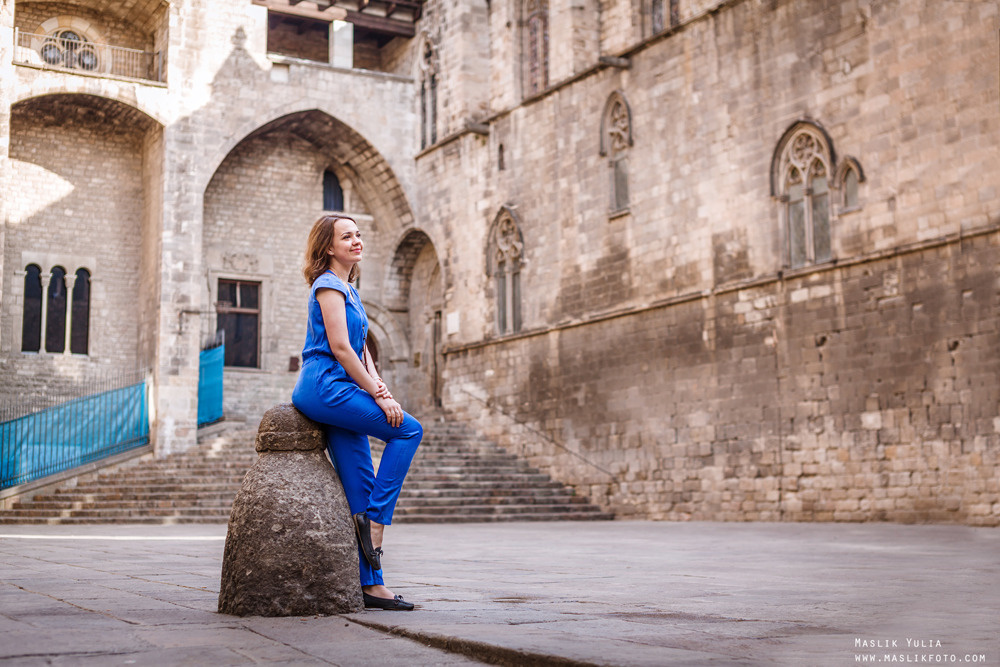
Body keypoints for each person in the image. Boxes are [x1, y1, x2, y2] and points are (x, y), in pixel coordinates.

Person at [292, 213, 423, 611]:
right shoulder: (328, 284)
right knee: (408, 430)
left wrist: (378, 385)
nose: (356, 240)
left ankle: (372, 584)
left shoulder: (351, 289)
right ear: (329, 247)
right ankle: (378, 521)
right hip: (324, 386)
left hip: (343, 386)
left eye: (359, 234)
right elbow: (342, 348)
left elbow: (363, 347)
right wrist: (382, 396)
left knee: (360, 487)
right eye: (346, 236)